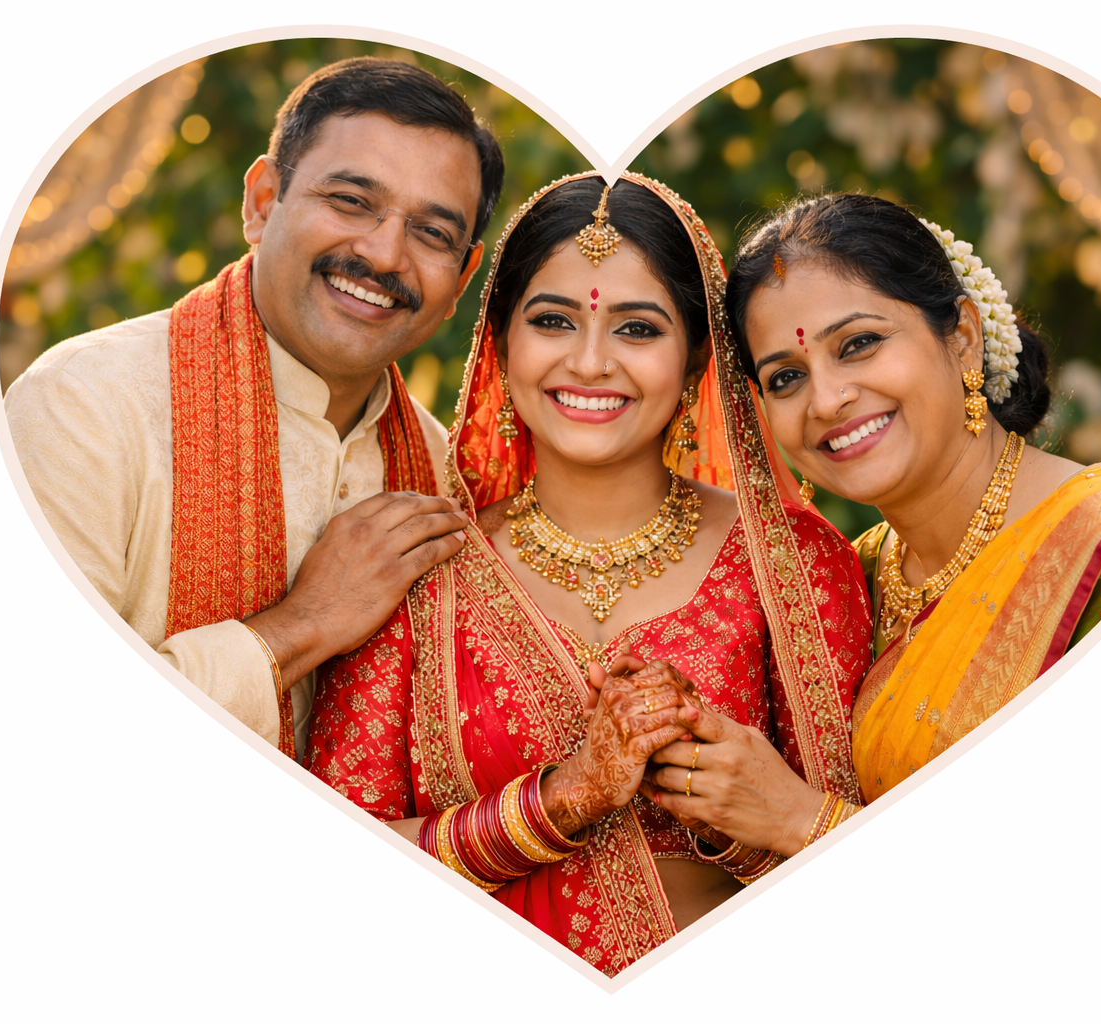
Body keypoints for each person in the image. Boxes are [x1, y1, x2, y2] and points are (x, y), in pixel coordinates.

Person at [304, 173, 871, 977]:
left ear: (697, 356)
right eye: (552, 321)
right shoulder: (416, 566)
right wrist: (562, 798)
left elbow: (875, 872)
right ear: (501, 342)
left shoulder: (791, 563)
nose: (591, 361)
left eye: (637, 328)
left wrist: (730, 812)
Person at [642, 192, 1101, 854]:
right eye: (785, 379)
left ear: (963, 338)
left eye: (859, 344)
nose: (827, 399)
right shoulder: (852, 577)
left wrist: (801, 821)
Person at [4, 58, 503, 758]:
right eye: (350, 201)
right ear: (263, 202)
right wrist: (305, 624)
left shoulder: (445, 477)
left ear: (463, 278)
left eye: (432, 233)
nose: (385, 253)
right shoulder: (86, 406)